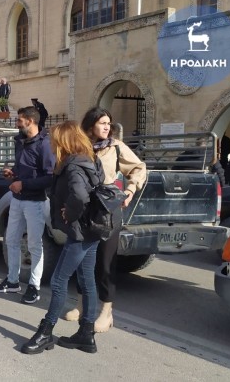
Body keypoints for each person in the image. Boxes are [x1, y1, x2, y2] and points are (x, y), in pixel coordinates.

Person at [20, 121, 104, 355]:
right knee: (86, 280)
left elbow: (80, 196)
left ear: (64, 141)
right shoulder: (90, 159)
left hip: (79, 232)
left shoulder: (73, 165)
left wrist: (71, 212)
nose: (51, 143)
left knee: (58, 281)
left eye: (54, 139)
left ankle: (45, 333)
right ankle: (86, 334)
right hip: (92, 229)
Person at [63, 107, 146, 333]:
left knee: (105, 262)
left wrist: (130, 190)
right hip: (85, 208)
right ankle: (81, 304)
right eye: (102, 123)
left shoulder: (115, 147)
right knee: (82, 260)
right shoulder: (80, 146)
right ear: (91, 125)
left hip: (108, 209)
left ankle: (106, 312)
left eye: (109, 123)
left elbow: (139, 167)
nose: (107, 127)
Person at [0, 106, 55, 304]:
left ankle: (34, 287)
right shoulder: (20, 140)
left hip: (35, 201)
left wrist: (23, 184)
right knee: (11, 240)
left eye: (19, 120)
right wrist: (13, 174)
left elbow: (50, 177)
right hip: (17, 199)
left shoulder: (44, 144)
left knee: (35, 245)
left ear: (30, 121)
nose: (17, 124)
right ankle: (12, 281)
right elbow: (23, 169)